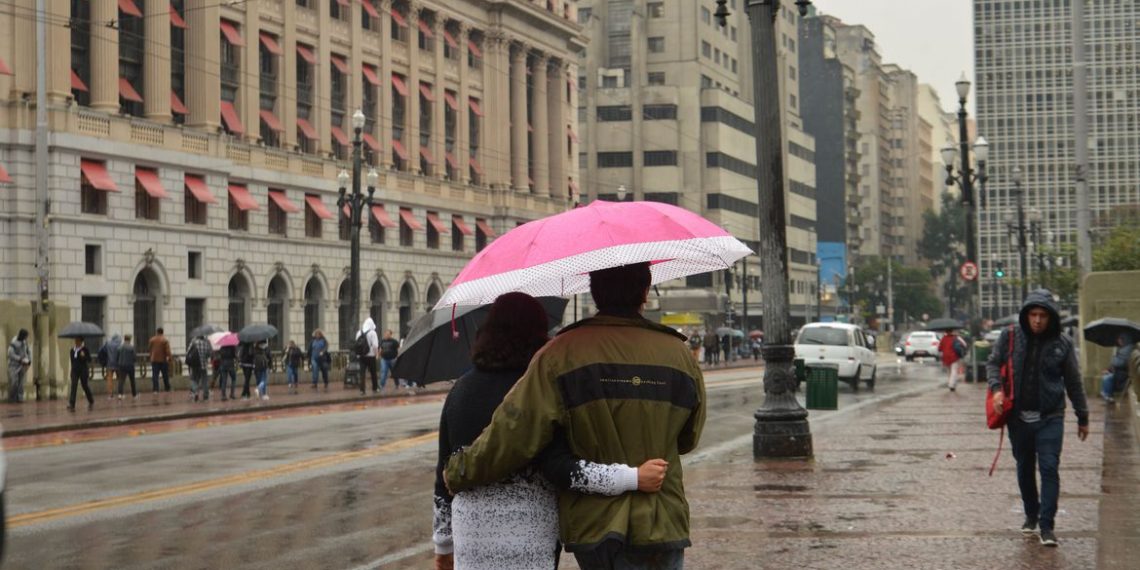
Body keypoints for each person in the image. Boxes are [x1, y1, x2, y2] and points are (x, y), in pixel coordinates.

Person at [445, 262, 706, 569]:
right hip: (663, 520)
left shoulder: (560, 354)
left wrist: (461, 471)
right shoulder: (679, 355)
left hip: (596, 524)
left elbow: (516, 429)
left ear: (594, 291)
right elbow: (689, 438)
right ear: (645, 292)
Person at [987, 289, 1089, 548]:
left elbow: (1073, 381)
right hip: (1018, 417)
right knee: (1024, 467)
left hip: (1050, 416)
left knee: (1049, 467)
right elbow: (993, 363)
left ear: (1051, 317)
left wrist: (1082, 415)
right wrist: (997, 390)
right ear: (1025, 315)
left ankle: (1047, 525)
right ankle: (1031, 515)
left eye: (1043, 315)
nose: (1037, 320)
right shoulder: (1009, 336)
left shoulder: (1062, 343)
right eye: (1033, 314)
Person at [1100, 333, 1135, 403]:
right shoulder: (1122, 349)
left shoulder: (1127, 349)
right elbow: (1116, 362)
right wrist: (1109, 369)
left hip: (1124, 375)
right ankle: (1107, 396)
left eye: (1120, 339)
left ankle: (1108, 396)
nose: (1119, 341)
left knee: (1107, 378)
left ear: (1124, 340)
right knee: (1106, 375)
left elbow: (1120, 363)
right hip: (1119, 372)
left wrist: (1114, 359)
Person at [67, 337, 95, 411]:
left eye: (78, 341)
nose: (77, 342)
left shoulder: (85, 349)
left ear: (81, 342)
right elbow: (73, 361)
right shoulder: (72, 350)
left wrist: (84, 356)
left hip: (83, 370)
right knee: (74, 386)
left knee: (84, 385)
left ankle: (90, 399)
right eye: (76, 341)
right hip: (75, 371)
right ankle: (71, 403)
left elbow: (89, 359)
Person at [356, 318, 380, 395]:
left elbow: (357, 344)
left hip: (362, 356)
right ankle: (375, 388)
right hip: (371, 356)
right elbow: (375, 345)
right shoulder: (373, 332)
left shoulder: (359, 332)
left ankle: (362, 390)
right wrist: (377, 354)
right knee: (373, 373)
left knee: (362, 373)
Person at [7, 329, 31, 403]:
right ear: (22, 335)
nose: (26, 338)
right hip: (13, 365)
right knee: (14, 382)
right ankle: (12, 398)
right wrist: (19, 359)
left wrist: (29, 360)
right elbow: (10, 354)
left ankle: (20, 398)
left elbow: (28, 351)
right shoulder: (13, 343)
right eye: (25, 336)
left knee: (21, 383)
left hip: (22, 365)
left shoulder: (25, 342)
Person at [185, 334, 212, 402]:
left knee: (194, 379)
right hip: (203, 365)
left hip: (195, 364)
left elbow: (188, 352)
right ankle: (205, 396)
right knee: (204, 380)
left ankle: (196, 392)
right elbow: (210, 354)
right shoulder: (207, 342)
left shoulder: (194, 341)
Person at [147, 327, 172, 393]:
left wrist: (150, 356)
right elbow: (167, 351)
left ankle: (155, 389)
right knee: (165, 375)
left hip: (154, 360)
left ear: (157, 332)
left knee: (155, 375)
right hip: (163, 360)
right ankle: (167, 388)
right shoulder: (165, 340)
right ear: (162, 332)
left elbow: (149, 349)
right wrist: (170, 358)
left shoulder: (152, 340)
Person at [97, 333, 122, 400]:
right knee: (120, 379)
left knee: (109, 379)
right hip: (118, 364)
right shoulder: (119, 345)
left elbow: (101, 350)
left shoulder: (108, 344)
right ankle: (120, 393)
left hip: (109, 363)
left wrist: (103, 360)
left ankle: (110, 394)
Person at [116, 334, 138, 399]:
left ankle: (120, 394)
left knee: (121, 380)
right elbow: (134, 357)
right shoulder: (131, 347)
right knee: (132, 380)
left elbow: (117, 357)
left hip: (121, 365)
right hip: (130, 365)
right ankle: (134, 394)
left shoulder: (119, 347)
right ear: (130, 339)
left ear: (124, 339)